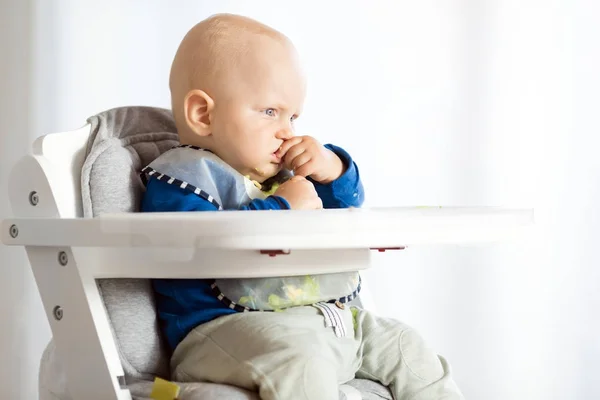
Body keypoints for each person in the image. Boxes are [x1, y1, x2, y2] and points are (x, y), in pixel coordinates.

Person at [141, 13, 464, 400]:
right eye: (270, 112)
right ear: (204, 114)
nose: (287, 131)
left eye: (293, 116)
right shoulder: (184, 178)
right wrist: (280, 208)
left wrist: (331, 169)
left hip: (328, 324)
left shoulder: (283, 175)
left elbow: (347, 209)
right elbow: (202, 245)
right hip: (225, 334)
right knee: (301, 360)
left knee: (406, 346)